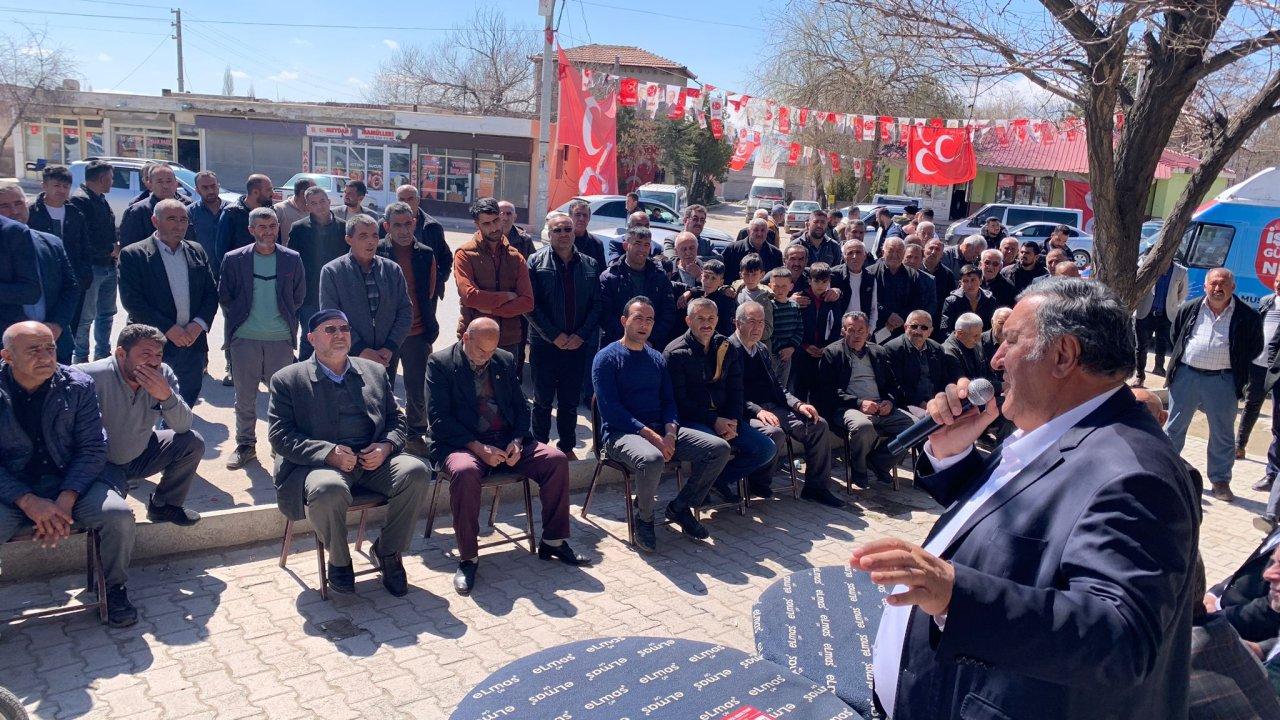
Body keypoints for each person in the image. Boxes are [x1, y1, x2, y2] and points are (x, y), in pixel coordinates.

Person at [851, 278, 1199, 720]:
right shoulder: (1059, 426)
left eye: (1011, 341)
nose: (995, 359)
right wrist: (951, 453)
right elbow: (1016, 518)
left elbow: (1120, 640)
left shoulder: (1135, 476)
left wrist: (957, 596)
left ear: (1063, 355)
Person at [268, 309, 430, 598]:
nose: (339, 334)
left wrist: (386, 446)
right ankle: (339, 560)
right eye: (330, 330)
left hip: (372, 462)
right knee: (327, 489)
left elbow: (397, 420)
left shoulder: (373, 371)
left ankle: (388, 551)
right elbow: (280, 437)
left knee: (416, 471)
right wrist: (328, 453)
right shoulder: (288, 379)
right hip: (320, 466)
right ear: (311, 339)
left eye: (344, 328)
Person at [427, 318, 592, 594]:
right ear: (466, 338)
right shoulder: (440, 363)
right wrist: (479, 448)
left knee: (555, 460)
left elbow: (521, 407)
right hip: (461, 443)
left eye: (492, 350)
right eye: (481, 351)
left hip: (504, 440)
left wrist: (516, 440)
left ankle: (553, 541)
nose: (486, 357)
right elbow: (439, 420)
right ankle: (468, 558)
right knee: (465, 472)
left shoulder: (502, 359)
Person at [0, 321, 138, 626]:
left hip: (71, 483)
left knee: (117, 516)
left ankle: (114, 588)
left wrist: (65, 500)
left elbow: (93, 447)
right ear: (7, 356)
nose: (46, 356)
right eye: (33, 350)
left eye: (50, 348)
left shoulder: (77, 384)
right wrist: (27, 501)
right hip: (11, 491)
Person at [593, 297, 731, 552]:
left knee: (718, 449)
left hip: (659, 430)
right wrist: (652, 436)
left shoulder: (656, 358)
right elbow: (611, 410)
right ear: (624, 321)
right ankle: (644, 518)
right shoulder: (606, 358)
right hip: (620, 434)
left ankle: (680, 507)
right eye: (638, 318)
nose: (644, 325)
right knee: (653, 459)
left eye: (649, 320)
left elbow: (669, 401)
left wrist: (670, 432)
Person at [77, 323, 205, 526]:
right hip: (101, 464)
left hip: (140, 454)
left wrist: (166, 396)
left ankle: (164, 506)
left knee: (192, 442)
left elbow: (183, 425)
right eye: (145, 354)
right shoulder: (88, 376)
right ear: (121, 354)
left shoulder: (163, 373)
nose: (154, 362)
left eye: (158, 355)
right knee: (116, 516)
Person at [665, 298, 776, 504]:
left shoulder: (725, 347)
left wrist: (733, 420)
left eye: (711, 318)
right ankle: (689, 501)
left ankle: (715, 481)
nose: (707, 324)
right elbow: (679, 401)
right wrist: (713, 421)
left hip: (725, 418)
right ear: (688, 321)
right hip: (692, 420)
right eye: (700, 318)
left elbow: (736, 390)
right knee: (716, 447)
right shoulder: (675, 353)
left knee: (766, 449)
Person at [218, 207, 304, 470]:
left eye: (272, 226)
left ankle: (280, 445)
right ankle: (245, 445)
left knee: (282, 398)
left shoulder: (292, 259)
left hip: (280, 339)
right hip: (245, 339)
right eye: (262, 227)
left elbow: (298, 296)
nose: (268, 232)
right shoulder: (234, 259)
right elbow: (226, 296)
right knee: (245, 398)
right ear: (251, 230)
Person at [730, 301, 841, 506]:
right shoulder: (728, 350)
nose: (757, 327)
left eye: (761, 322)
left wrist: (798, 404)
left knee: (818, 425)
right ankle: (758, 482)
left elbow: (777, 385)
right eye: (752, 322)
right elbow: (729, 394)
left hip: (773, 407)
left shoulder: (762, 348)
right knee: (774, 433)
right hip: (745, 412)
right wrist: (758, 411)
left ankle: (816, 488)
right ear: (737, 323)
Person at [1165, 267, 1262, 502]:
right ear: (1206, 286)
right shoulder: (1190, 308)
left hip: (1223, 381)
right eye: (1214, 284)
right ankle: (1165, 474)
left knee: (1222, 434)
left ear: (1233, 287)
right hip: (1186, 376)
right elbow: (1175, 336)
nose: (1218, 288)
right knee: (1174, 428)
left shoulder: (1247, 315)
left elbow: (1254, 347)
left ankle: (1220, 481)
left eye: (1223, 284)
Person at [117, 199, 218, 407]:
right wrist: (168, 329)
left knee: (185, 400)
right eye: (172, 219)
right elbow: (133, 301)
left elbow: (211, 294)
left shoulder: (196, 250)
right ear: (155, 221)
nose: (179, 225)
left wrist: (198, 324)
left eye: (183, 220)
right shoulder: (133, 254)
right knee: (149, 403)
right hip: (152, 344)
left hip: (192, 342)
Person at [526, 211, 600, 457]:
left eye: (567, 229)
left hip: (577, 345)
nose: (563, 234)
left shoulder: (590, 264)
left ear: (574, 233)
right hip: (545, 345)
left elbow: (597, 305)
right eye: (557, 230)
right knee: (542, 400)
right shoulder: (535, 262)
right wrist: (553, 335)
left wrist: (581, 335)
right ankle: (539, 448)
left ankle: (567, 447)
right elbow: (530, 305)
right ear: (549, 234)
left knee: (569, 402)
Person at [817, 311, 913, 486]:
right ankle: (859, 469)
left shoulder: (878, 351)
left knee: (914, 427)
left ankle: (879, 462)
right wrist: (859, 403)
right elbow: (827, 391)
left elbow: (893, 385)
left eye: (861, 330)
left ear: (868, 331)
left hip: (879, 406)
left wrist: (890, 401)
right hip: (848, 407)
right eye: (851, 330)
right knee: (863, 427)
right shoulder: (833, 352)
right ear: (843, 331)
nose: (856, 335)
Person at [376, 201, 439, 451]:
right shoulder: (377, 251)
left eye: (407, 224)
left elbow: (430, 293)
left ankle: (415, 434)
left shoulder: (425, 253)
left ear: (414, 223)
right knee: (382, 387)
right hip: (384, 335)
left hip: (417, 333)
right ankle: (384, 434)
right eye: (397, 225)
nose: (403, 230)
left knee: (417, 388)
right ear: (387, 227)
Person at [318, 214, 413, 380]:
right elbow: (330, 316)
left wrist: (390, 346)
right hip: (347, 356)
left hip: (385, 357)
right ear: (349, 239)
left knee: (382, 396)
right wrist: (360, 349)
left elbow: (405, 311)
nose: (371, 241)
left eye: (375, 236)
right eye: (363, 236)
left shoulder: (392, 270)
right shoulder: (332, 272)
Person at [0, 184, 79, 363]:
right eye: (4, 206)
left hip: (55, 343)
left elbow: (71, 287)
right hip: (12, 348)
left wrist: (57, 324)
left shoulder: (51, 242)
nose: (14, 211)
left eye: (18, 203)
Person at [454, 197, 534, 362]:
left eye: (496, 220)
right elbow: (469, 296)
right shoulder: (465, 254)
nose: (494, 227)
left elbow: (527, 302)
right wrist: (506, 297)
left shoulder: (516, 257)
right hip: (474, 339)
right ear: (477, 225)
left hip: (509, 339)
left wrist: (491, 309)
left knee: (509, 379)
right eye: (486, 223)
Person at [68, 159, 119, 365]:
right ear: (102, 178)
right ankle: (81, 358)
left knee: (107, 313)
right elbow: (82, 238)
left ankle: (102, 355)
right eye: (111, 178)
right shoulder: (80, 200)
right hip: (92, 268)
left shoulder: (100, 199)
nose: (112, 182)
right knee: (86, 317)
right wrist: (108, 249)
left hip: (109, 266)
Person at [289, 186, 348, 360]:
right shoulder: (299, 228)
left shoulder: (344, 227)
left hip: (338, 293)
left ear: (329, 202)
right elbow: (292, 262)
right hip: (309, 295)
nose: (319, 206)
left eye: (322, 201)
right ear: (307, 206)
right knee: (310, 336)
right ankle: (304, 372)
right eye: (313, 203)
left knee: (338, 335)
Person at [599, 226, 676, 347]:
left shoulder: (660, 277)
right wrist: (627, 340)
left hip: (651, 345)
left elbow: (668, 312)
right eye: (637, 244)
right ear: (626, 246)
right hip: (617, 345)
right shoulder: (609, 277)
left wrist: (649, 340)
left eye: (646, 245)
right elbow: (605, 314)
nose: (642, 249)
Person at [28, 166, 90, 314]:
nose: (61, 190)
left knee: (71, 321)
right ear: (44, 186)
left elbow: (85, 247)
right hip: (41, 280)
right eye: (56, 185)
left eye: (65, 186)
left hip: (71, 280)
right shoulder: (31, 212)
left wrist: (85, 275)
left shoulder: (75, 214)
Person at [1206, 524, 1280, 642]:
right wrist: (1214, 593)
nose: (1268, 574)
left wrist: (1215, 619)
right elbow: (1249, 570)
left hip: (1240, 634)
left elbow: (1268, 608)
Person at [1134, 255, 1189, 386]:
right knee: (1141, 346)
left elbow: (1182, 293)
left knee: (1162, 344)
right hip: (1145, 313)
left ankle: (1159, 368)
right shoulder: (1146, 266)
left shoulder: (1181, 271)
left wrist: (1172, 305)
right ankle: (1140, 375)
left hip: (1166, 314)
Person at [389, 184, 451, 300]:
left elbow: (445, 257)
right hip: (393, 290)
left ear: (418, 200)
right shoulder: (385, 225)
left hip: (425, 292)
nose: (406, 203)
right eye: (402, 199)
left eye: (410, 199)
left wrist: (437, 279)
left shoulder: (433, 227)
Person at [795, 263, 843, 403]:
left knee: (820, 390)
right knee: (800, 389)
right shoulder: (801, 298)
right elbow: (795, 326)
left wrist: (828, 347)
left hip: (824, 351)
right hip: (802, 351)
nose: (820, 285)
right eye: (816, 281)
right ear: (810, 280)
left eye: (824, 281)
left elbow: (836, 326)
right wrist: (804, 346)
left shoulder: (832, 300)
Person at [883, 309, 946, 414]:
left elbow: (943, 380)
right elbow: (897, 386)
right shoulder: (892, 349)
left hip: (936, 402)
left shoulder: (937, 349)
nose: (918, 331)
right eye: (914, 326)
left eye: (924, 328)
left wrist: (940, 401)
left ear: (930, 331)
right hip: (908, 405)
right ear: (905, 327)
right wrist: (922, 404)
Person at [118, 165, 189, 248]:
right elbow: (129, 247)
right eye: (160, 182)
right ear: (150, 185)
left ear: (176, 184)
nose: (165, 186)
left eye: (169, 181)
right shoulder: (137, 211)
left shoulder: (187, 205)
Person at [216, 174, 274, 270]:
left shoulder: (270, 212)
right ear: (255, 192)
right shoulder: (232, 213)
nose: (272, 193)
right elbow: (221, 250)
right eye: (268, 190)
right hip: (240, 272)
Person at [870, 238, 925, 337]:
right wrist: (888, 315)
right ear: (883, 252)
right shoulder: (870, 273)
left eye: (899, 251)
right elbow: (868, 299)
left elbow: (917, 301)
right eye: (891, 251)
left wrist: (900, 318)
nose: (895, 255)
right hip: (876, 327)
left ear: (904, 253)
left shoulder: (913, 275)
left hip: (903, 328)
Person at [679, 259, 737, 337]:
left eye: (713, 278)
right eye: (706, 276)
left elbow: (727, 331)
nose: (709, 282)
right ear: (701, 276)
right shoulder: (693, 297)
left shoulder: (726, 303)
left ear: (721, 282)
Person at [830, 239, 877, 330]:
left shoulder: (870, 277)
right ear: (844, 257)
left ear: (865, 256)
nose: (854, 256)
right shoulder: (834, 275)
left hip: (862, 331)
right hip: (839, 330)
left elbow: (873, 309)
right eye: (850, 253)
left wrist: (870, 330)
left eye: (858, 252)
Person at [941, 264, 998, 335]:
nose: (970, 284)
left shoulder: (990, 300)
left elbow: (992, 325)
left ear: (980, 281)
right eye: (965, 281)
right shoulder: (951, 301)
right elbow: (945, 328)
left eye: (973, 280)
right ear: (960, 283)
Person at [724, 217, 783, 286]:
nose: (759, 234)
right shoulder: (733, 249)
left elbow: (779, 278)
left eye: (763, 230)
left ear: (767, 232)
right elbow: (721, 274)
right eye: (756, 230)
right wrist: (726, 288)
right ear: (748, 232)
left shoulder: (775, 254)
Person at [186, 171, 228, 267]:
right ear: (197, 190)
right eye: (205, 188)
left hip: (230, 269)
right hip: (203, 268)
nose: (210, 191)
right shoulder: (190, 213)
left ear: (218, 186)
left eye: (213, 186)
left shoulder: (231, 210)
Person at [942, 312, 989, 384]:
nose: (978, 339)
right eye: (975, 335)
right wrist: (999, 385)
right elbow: (961, 381)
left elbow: (988, 372)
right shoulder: (948, 352)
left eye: (980, 334)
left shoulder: (975, 344)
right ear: (960, 334)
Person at [567, 199, 607, 272]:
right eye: (578, 214)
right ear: (570, 217)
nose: (581, 218)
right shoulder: (562, 240)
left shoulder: (596, 244)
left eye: (585, 215)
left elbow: (601, 272)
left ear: (589, 218)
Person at [902, 244, 937, 322]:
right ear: (902, 257)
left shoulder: (929, 280)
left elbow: (932, 305)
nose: (912, 261)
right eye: (909, 257)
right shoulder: (893, 275)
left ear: (921, 260)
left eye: (916, 258)